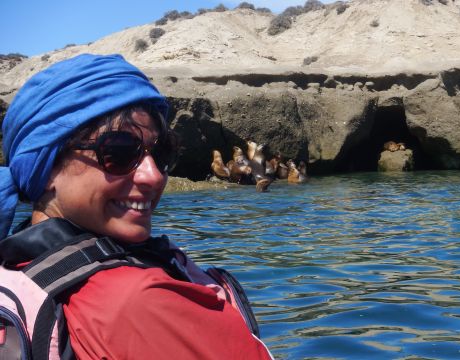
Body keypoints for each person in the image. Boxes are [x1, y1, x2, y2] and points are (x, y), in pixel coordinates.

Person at [0, 54, 273, 359]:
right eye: (118, 152)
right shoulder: (140, 304)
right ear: (48, 168)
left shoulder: (19, 268)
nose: (154, 175)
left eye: (163, 153)